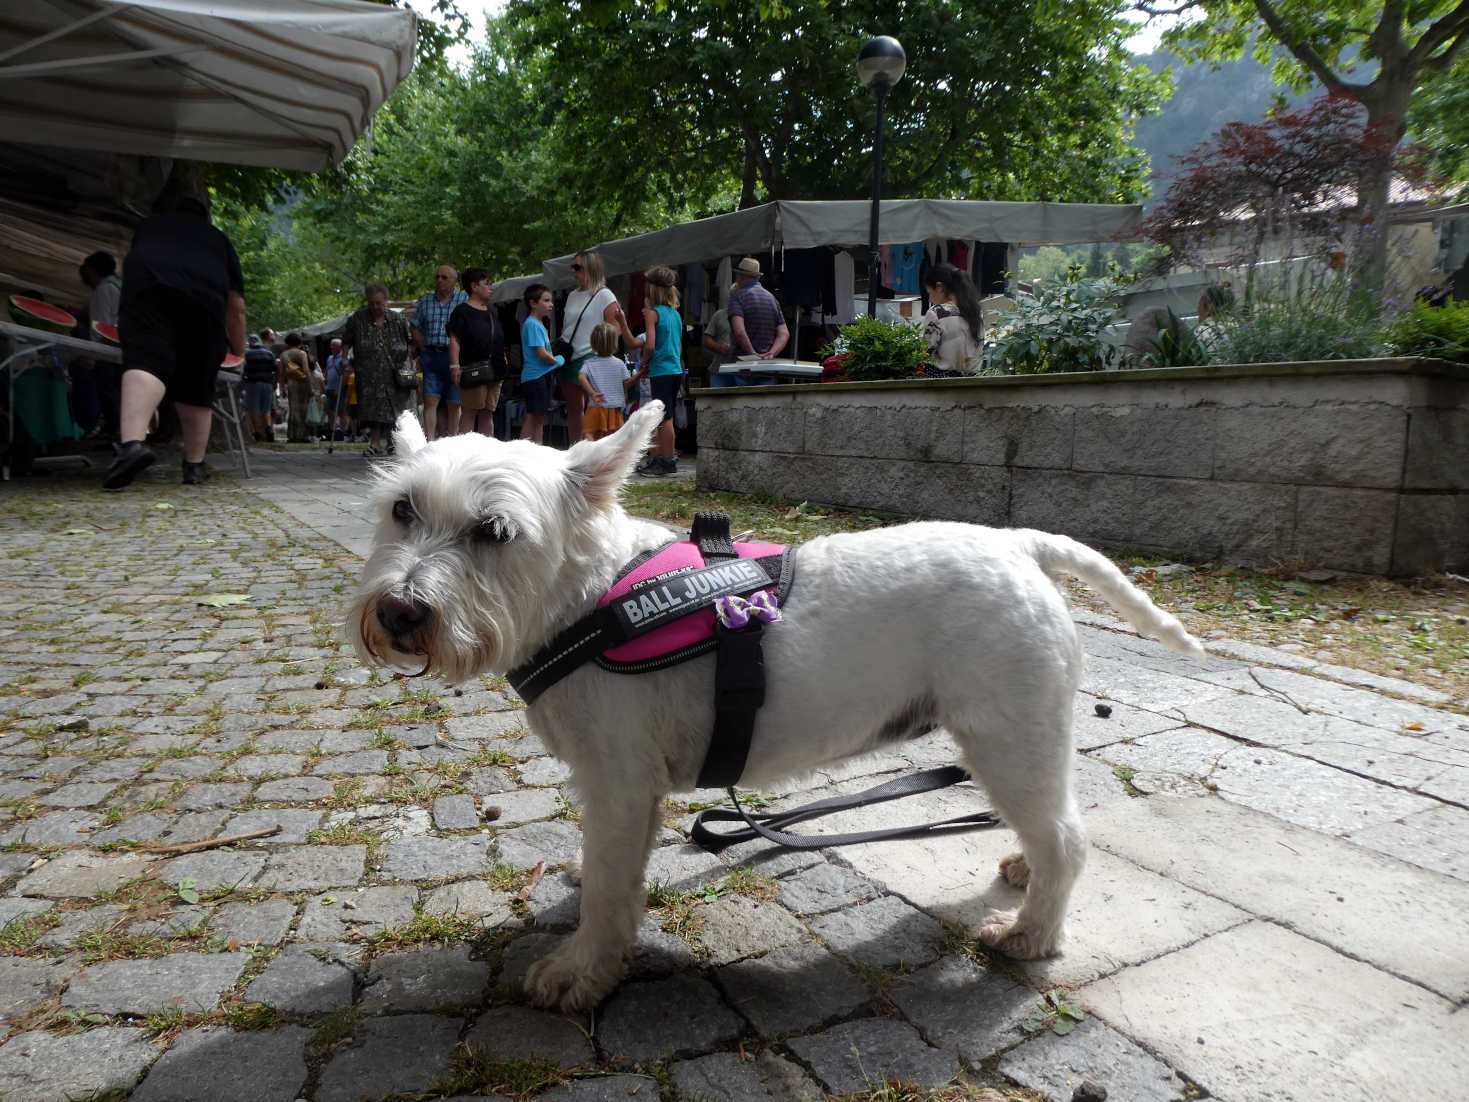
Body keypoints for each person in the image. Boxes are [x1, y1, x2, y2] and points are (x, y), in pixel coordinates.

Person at [102, 179, 245, 490]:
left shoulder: (151, 226)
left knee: (146, 360)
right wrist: (239, 349)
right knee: (197, 382)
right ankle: (194, 466)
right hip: (204, 300)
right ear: (205, 217)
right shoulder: (217, 239)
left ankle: (131, 446)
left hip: (148, 286)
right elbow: (236, 306)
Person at [560, 250, 625, 444]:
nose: (574, 271)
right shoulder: (572, 295)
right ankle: (576, 449)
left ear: (591, 268)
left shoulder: (605, 295)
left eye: (578, 267)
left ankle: (593, 449)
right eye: (573, 267)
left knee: (593, 406)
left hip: (590, 355)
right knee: (573, 407)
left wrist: (600, 348)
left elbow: (616, 327)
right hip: (568, 356)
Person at [341, 282, 412, 457]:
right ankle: (374, 443)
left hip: (394, 372)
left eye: (379, 303)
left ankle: (391, 443)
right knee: (371, 410)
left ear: (386, 301)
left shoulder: (398, 320)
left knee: (393, 409)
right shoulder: (358, 319)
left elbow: (410, 343)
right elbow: (346, 342)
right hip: (368, 374)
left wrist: (409, 363)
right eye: (371, 303)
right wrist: (343, 361)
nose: (375, 307)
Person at [623, 266, 682, 475]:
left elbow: (649, 344)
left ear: (653, 288)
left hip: (661, 371)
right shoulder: (675, 314)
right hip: (675, 370)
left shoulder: (652, 313)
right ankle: (661, 458)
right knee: (666, 417)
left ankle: (667, 461)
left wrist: (645, 363)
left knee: (663, 418)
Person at [447, 267, 508, 437]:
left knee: (488, 412)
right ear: (474, 286)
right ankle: (464, 456)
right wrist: (455, 366)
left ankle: (486, 454)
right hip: (473, 369)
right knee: (469, 412)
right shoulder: (461, 312)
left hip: (496, 369)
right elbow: (454, 340)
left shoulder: (491, 311)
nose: (491, 287)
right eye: (487, 284)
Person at [410, 263, 467, 441]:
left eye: (444, 277)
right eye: (437, 277)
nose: (439, 280)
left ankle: (452, 441)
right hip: (432, 355)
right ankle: (430, 440)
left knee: (454, 402)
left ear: (455, 281)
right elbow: (415, 324)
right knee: (430, 400)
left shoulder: (463, 299)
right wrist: (421, 347)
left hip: (455, 357)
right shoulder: (425, 300)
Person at [76, 251, 123, 436]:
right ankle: (122, 436)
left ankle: (116, 436)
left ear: (93, 270)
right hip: (122, 351)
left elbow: (101, 326)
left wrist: (92, 353)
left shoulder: (103, 290)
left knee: (109, 394)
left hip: (107, 351)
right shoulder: (120, 287)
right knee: (119, 395)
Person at [728, 256, 788, 386]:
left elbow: (739, 331)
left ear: (740, 276)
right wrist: (771, 353)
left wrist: (752, 354)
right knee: (766, 403)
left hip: (742, 364)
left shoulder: (738, 297)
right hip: (766, 365)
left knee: (743, 403)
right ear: (757, 277)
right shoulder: (772, 299)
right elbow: (784, 333)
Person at [519, 283, 563, 443]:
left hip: (540, 376)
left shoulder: (538, 324)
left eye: (550, 300)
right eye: (546, 300)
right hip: (535, 377)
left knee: (538, 418)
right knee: (534, 418)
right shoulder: (532, 324)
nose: (551, 304)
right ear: (533, 303)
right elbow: (542, 353)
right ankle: (524, 452)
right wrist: (557, 361)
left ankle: (535, 450)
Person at [920, 263, 984, 374]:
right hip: (973, 380)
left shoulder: (937, 313)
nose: (930, 299)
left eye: (929, 293)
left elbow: (924, 351)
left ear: (939, 288)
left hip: (943, 382)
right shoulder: (976, 312)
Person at [578, 322, 631, 440]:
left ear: (593, 342)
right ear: (614, 342)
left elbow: (581, 377)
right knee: (612, 439)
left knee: (590, 435)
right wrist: (640, 375)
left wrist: (592, 393)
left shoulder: (589, 363)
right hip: (614, 408)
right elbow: (626, 384)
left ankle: (591, 457)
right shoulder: (619, 363)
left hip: (595, 406)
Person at [241, 330, 278, 442]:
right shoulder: (269, 353)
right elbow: (275, 368)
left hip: (252, 384)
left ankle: (258, 433)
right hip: (267, 384)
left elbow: (243, 369)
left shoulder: (247, 354)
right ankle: (268, 428)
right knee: (266, 409)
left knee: (254, 409)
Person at [281, 332, 312, 443]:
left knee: (293, 408)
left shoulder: (284, 354)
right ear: (299, 342)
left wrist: (282, 388)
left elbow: (281, 373)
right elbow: (306, 370)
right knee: (304, 408)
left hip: (291, 383)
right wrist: (310, 386)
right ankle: (303, 435)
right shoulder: (302, 353)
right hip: (302, 383)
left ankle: (292, 435)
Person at [702, 297, 735, 387]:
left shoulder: (750, 314)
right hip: (720, 370)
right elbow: (707, 339)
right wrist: (718, 347)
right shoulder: (720, 315)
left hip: (743, 372)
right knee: (717, 399)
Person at [324, 337, 346, 438]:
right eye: (331, 346)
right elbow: (327, 371)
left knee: (341, 411)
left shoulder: (344, 359)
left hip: (339, 388)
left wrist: (339, 388)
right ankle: (332, 430)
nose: (331, 348)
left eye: (333, 346)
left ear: (339, 347)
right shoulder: (329, 358)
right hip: (329, 387)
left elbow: (346, 374)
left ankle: (342, 431)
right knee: (328, 409)